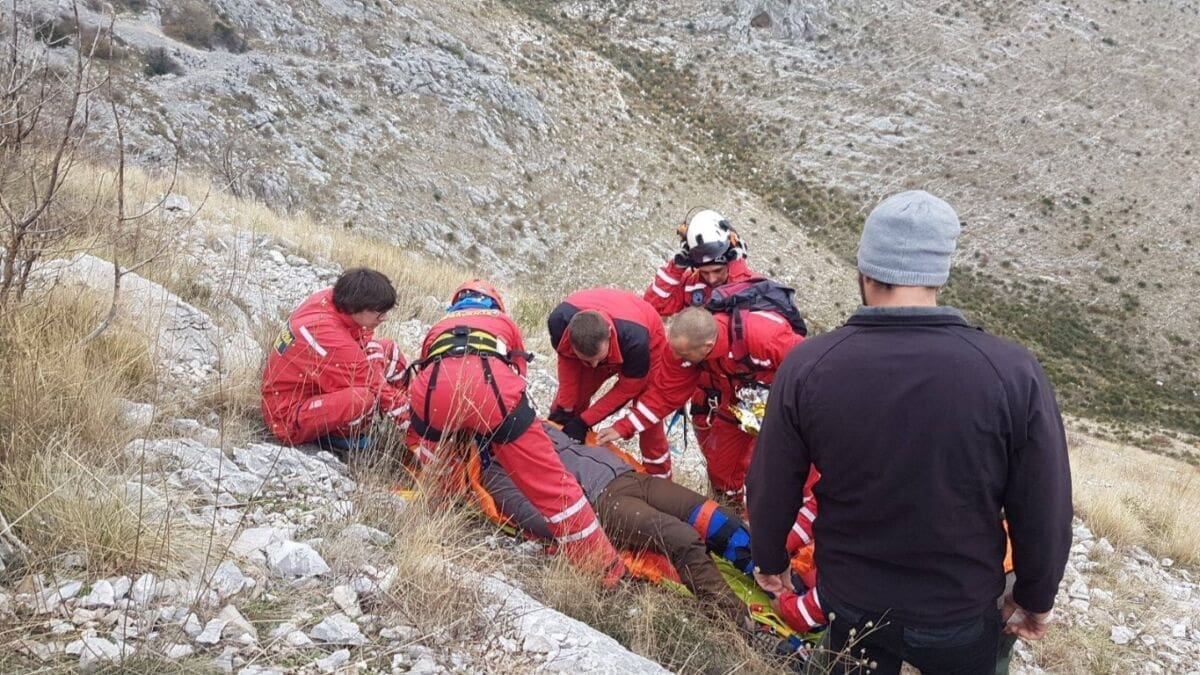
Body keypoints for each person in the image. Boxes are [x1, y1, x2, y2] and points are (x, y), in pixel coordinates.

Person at [747, 190, 1072, 674]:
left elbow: (771, 483)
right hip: (958, 609)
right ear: (939, 274)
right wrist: (1035, 597)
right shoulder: (1011, 371)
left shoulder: (809, 365)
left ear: (865, 270)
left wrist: (770, 560)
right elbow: (1044, 504)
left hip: (851, 600)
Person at [405, 280, 626, 583]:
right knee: (550, 483)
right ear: (495, 303)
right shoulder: (503, 322)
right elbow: (518, 375)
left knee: (439, 467)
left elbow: (427, 368)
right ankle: (605, 569)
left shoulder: (439, 326)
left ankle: (446, 513)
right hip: (492, 391)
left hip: (430, 396)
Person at [595, 305, 804, 504]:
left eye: (684, 354)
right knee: (722, 467)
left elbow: (811, 370)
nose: (677, 357)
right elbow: (663, 395)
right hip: (738, 404)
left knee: (792, 467)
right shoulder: (682, 351)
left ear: (708, 346)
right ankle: (736, 511)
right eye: (675, 351)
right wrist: (623, 427)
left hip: (790, 406)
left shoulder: (764, 336)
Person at [261, 268, 409, 450]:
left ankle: (412, 407)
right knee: (363, 399)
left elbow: (364, 339)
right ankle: (334, 435)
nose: (384, 318)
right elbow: (376, 388)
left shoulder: (331, 300)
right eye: (379, 312)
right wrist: (417, 426)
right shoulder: (329, 336)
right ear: (357, 307)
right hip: (287, 417)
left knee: (387, 350)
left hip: (310, 387)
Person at [546, 288, 673, 477]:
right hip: (602, 329)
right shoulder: (559, 323)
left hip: (647, 340)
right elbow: (568, 363)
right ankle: (569, 462)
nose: (594, 366)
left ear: (609, 335)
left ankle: (660, 477)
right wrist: (566, 407)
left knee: (648, 418)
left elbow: (627, 389)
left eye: (598, 359)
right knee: (566, 408)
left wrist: (585, 421)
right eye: (587, 361)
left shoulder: (636, 341)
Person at [643, 209, 758, 317]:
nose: (712, 279)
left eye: (718, 270)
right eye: (704, 272)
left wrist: (737, 267)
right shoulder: (690, 283)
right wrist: (675, 269)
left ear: (730, 261)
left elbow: (745, 313)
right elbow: (652, 308)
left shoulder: (757, 286)